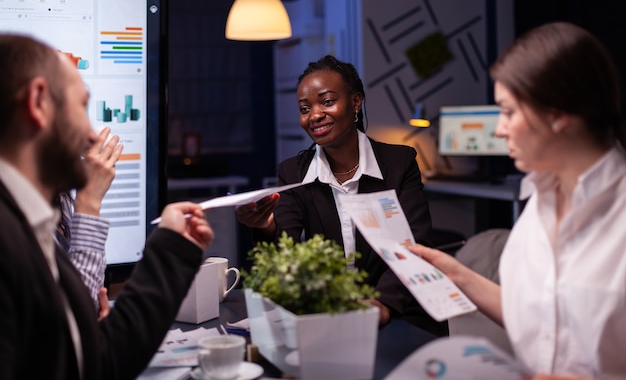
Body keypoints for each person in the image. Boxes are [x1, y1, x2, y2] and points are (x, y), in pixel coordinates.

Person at [408, 22, 626, 379]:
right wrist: (457, 275)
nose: (499, 129)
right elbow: (538, 320)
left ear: (557, 114)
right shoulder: (538, 202)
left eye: (508, 111)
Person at [0, 33, 214, 380]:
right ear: (38, 102)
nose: (92, 135)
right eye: (81, 106)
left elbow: (92, 364)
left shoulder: (31, 221)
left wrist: (171, 250)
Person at [236, 54, 447, 336]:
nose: (314, 115)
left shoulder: (400, 162)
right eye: (304, 108)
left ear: (356, 102)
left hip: (401, 309)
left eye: (327, 101)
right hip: (332, 314)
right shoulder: (294, 173)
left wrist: (381, 304)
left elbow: (414, 245)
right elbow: (282, 248)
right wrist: (265, 225)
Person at [54, 126, 123, 318]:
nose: (92, 135)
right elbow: (73, 319)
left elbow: (86, 305)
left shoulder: (59, 197)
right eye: (81, 105)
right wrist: (89, 203)